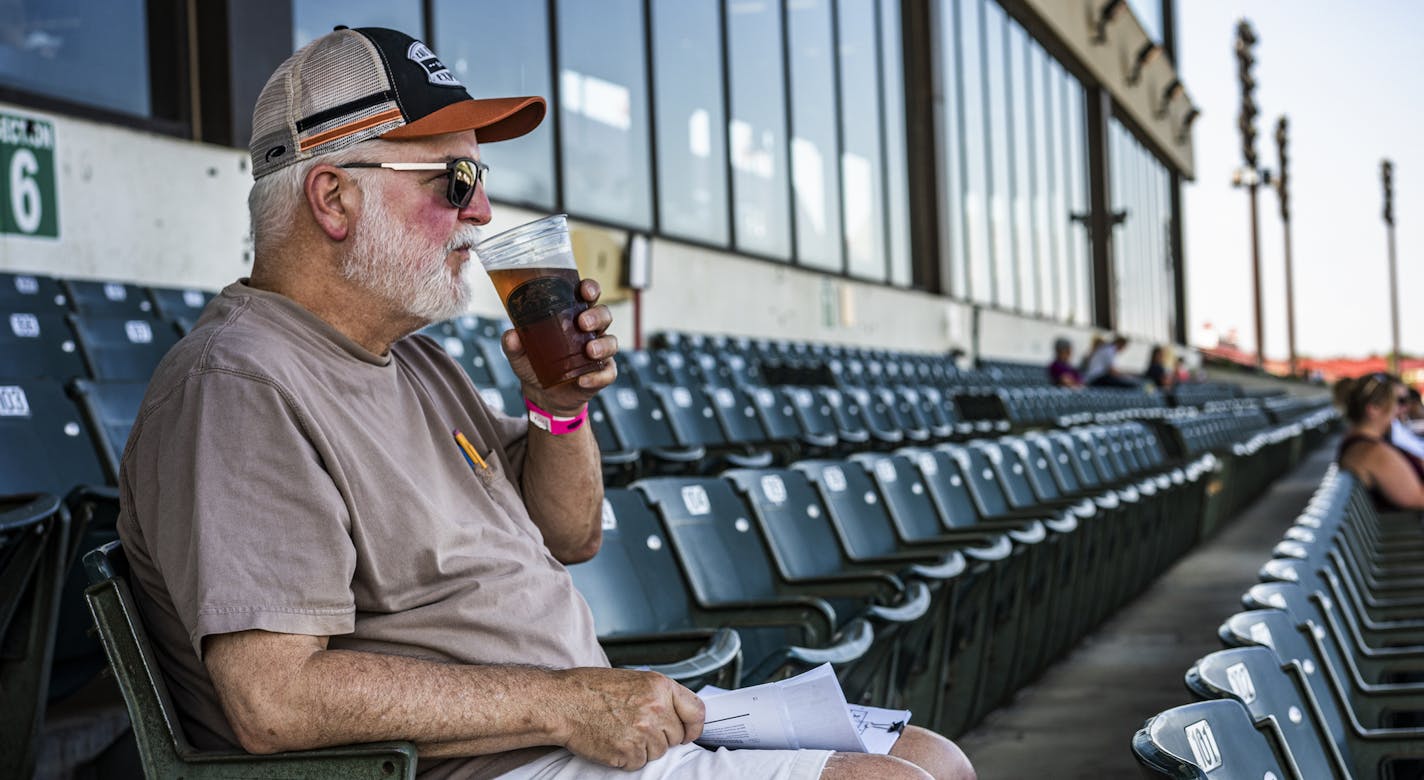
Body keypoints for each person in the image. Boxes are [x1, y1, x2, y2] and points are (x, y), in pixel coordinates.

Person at [115, 26, 973, 780]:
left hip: (573, 734)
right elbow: (275, 700)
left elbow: (570, 536)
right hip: (489, 761)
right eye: (453, 179)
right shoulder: (239, 385)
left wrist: (557, 407)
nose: (481, 210)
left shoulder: (416, 364)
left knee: (934, 758)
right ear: (333, 198)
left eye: (479, 176)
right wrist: (566, 705)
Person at [1336, 373, 1424, 511]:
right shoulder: (1371, 452)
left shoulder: (1364, 445)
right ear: (1373, 409)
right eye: (1396, 402)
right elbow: (1418, 499)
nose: (1401, 410)